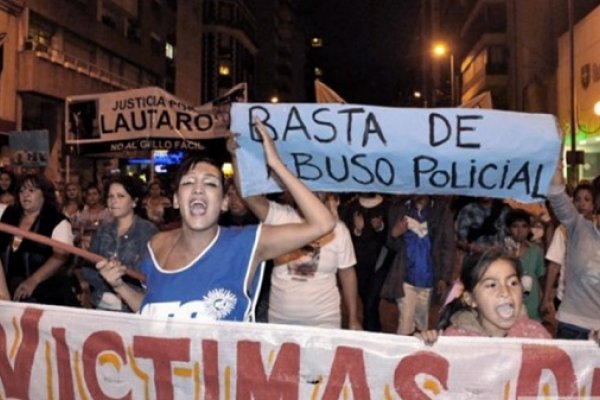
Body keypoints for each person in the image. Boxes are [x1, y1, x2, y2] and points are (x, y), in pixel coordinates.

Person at [96, 122, 336, 322]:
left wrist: (276, 165)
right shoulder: (156, 245)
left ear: (223, 203)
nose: (199, 189)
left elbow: (323, 224)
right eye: (189, 182)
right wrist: (120, 287)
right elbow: (152, 309)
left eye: (210, 183)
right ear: (177, 200)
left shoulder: (247, 242)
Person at [243, 190, 361, 329]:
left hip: (324, 319)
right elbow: (249, 196)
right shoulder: (280, 217)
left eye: (319, 192)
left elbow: (347, 273)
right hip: (281, 319)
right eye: (307, 189)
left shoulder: (339, 229)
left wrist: (353, 317)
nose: (313, 195)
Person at [416, 248, 551, 345]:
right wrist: (425, 348)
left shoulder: (537, 336)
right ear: (470, 299)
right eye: (492, 285)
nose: (505, 292)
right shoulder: (457, 341)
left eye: (513, 283)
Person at [80, 175, 158, 311]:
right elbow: (88, 268)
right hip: (103, 304)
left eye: (120, 196)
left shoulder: (148, 232)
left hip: (136, 307)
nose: (114, 201)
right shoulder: (103, 230)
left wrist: (122, 291)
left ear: (134, 201)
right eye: (110, 197)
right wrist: (106, 290)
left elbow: (153, 276)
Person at [0, 174, 80, 306]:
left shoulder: (57, 221)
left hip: (45, 292)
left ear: (44, 194)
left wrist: (33, 281)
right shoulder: (7, 214)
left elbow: (61, 255)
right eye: (21, 190)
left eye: (31, 190)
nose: (25, 194)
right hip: (7, 291)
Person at [381, 195, 455, 335]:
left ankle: (419, 355)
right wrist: (394, 233)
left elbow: (448, 245)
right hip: (405, 275)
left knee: (422, 323)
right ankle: (402, 353)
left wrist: (444, 277)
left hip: (429, 277)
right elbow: (391, 244)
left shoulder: (441, 211)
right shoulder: (399, 209)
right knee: (405, 322)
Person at [547, 160, 600, 340]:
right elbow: (556, 195)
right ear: (595, 211)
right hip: (572, 325)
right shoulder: (578, 227)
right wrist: (556, 165)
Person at [541, 182, 595, 326]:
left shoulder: (596, 230)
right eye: (577, 199)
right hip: (566, 298)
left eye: (587, 199)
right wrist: (546, 297)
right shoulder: (564, 230)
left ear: (595, 203)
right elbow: (554, 264)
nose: (582, 204)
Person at [341, 193, 391, 331]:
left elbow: (393, 238)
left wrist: (380, 227)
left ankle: (371, 332)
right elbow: (343, 239)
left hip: (381, 263)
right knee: (367, 302)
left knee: (371, 301)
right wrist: (357, 229)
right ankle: (373, 331)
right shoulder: (350, 207)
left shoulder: (388, 206)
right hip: (359, 264)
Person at [503, 209, 545, 321]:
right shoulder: (501, 252)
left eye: (524, 226)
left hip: (531, 306)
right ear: (508, 229)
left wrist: (544, 301)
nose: (520, 230)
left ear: (528, 229)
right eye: (515, 226)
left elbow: (541, 279)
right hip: (507, 304)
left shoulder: (536, 251)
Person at [78, 184, 112, 250]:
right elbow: (80, 231)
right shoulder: (83, 213)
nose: (92, 197)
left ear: (99, 196)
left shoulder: (107, 212)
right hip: (85, 247)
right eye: (89, 194)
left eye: (95, 194)